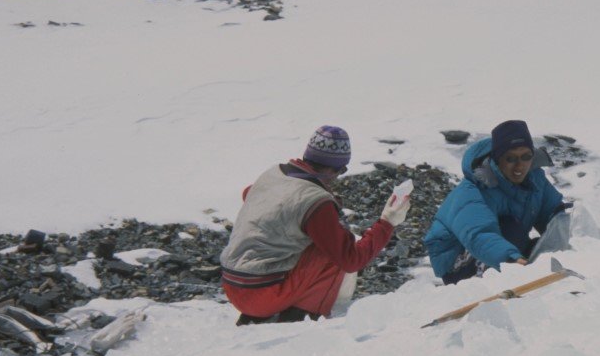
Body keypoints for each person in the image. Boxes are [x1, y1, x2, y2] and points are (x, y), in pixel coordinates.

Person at [220, 125, 411, 325]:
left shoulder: (272, 175)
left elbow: (248, 194)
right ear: (333, 168)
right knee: (334, 250)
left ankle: (268, 312)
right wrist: (387, 223)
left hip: (233, 286)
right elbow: (350, 260)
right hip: (263, 295)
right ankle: (302, 317)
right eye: (341, 170)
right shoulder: (315, 201)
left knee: (313, 240)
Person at [425, 119, 566, 284]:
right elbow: (480, 234)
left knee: (543, 246)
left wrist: (568, 231)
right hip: (458, 262)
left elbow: (554, 212)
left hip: (505, 246)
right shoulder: (475, 188)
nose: (520, 166)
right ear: (497, 159)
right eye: (511, 158)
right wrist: (510, 259)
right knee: (510, 229)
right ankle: (490, 279)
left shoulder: (535, 179)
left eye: (526, 156)